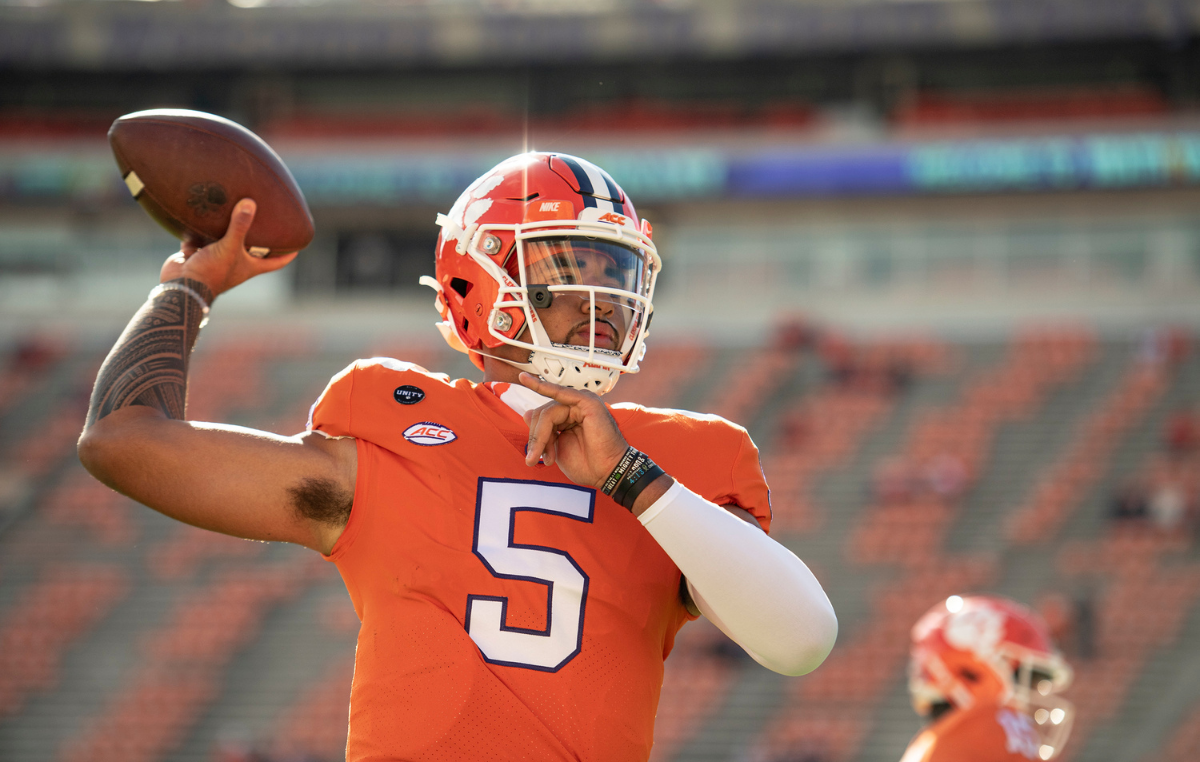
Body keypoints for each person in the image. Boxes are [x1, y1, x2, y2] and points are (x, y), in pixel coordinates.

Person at [78, 152, 838, 761]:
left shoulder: (679, 458)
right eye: (570, 267)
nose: (602, 298)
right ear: (478, 279)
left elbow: (802, 641)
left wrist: (632, 479)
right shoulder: (395, 426)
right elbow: (124, 442)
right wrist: (187, 287)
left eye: (616, 271)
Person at [901, 595, 1074, 762]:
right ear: (968, 673)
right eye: (1019, 679)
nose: (1031, 695)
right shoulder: (961, 745)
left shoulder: (933, 748)